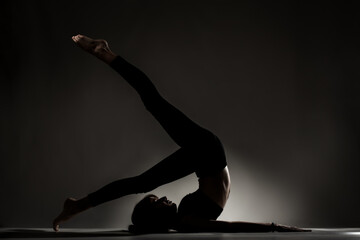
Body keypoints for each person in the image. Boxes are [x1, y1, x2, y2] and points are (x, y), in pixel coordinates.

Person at [53, 34, 309, 233]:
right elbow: (231, 227)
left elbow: (228, 224)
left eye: (156, 200)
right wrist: (275, 227)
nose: (164, 198)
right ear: (156, 219)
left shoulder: (186, 218)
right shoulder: (187, 221)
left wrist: (276, 228)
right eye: (158, 203)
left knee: (146, 159)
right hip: (207, 152)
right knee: (145, 168)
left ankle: (104, 52)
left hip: (206, 154)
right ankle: (78, 205)